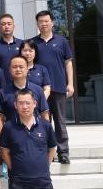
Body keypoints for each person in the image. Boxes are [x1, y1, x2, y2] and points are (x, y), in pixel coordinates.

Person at [32, 10, 74, 164]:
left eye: (46, 21)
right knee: (43, 122)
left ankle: (63, 152)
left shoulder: (62, 41)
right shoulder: (33, 43)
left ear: (52, 22)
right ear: (37, 24)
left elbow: (68, 63)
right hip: (40, 90)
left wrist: (70, 83)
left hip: (58, 86)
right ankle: (46, 152)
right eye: (40, 21)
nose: (43, 24)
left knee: (60, 121)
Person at [0, 56, 50, 134]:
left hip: (36, 133)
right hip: (12, 134)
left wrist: (47, 134)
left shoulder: (38, 90)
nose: (18, 69)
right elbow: (0, 118)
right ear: (9, 70)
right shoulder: (3, 92)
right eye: (14, 67)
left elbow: (44, 114)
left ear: (27, 69)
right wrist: (2, 137)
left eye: (21, 67)